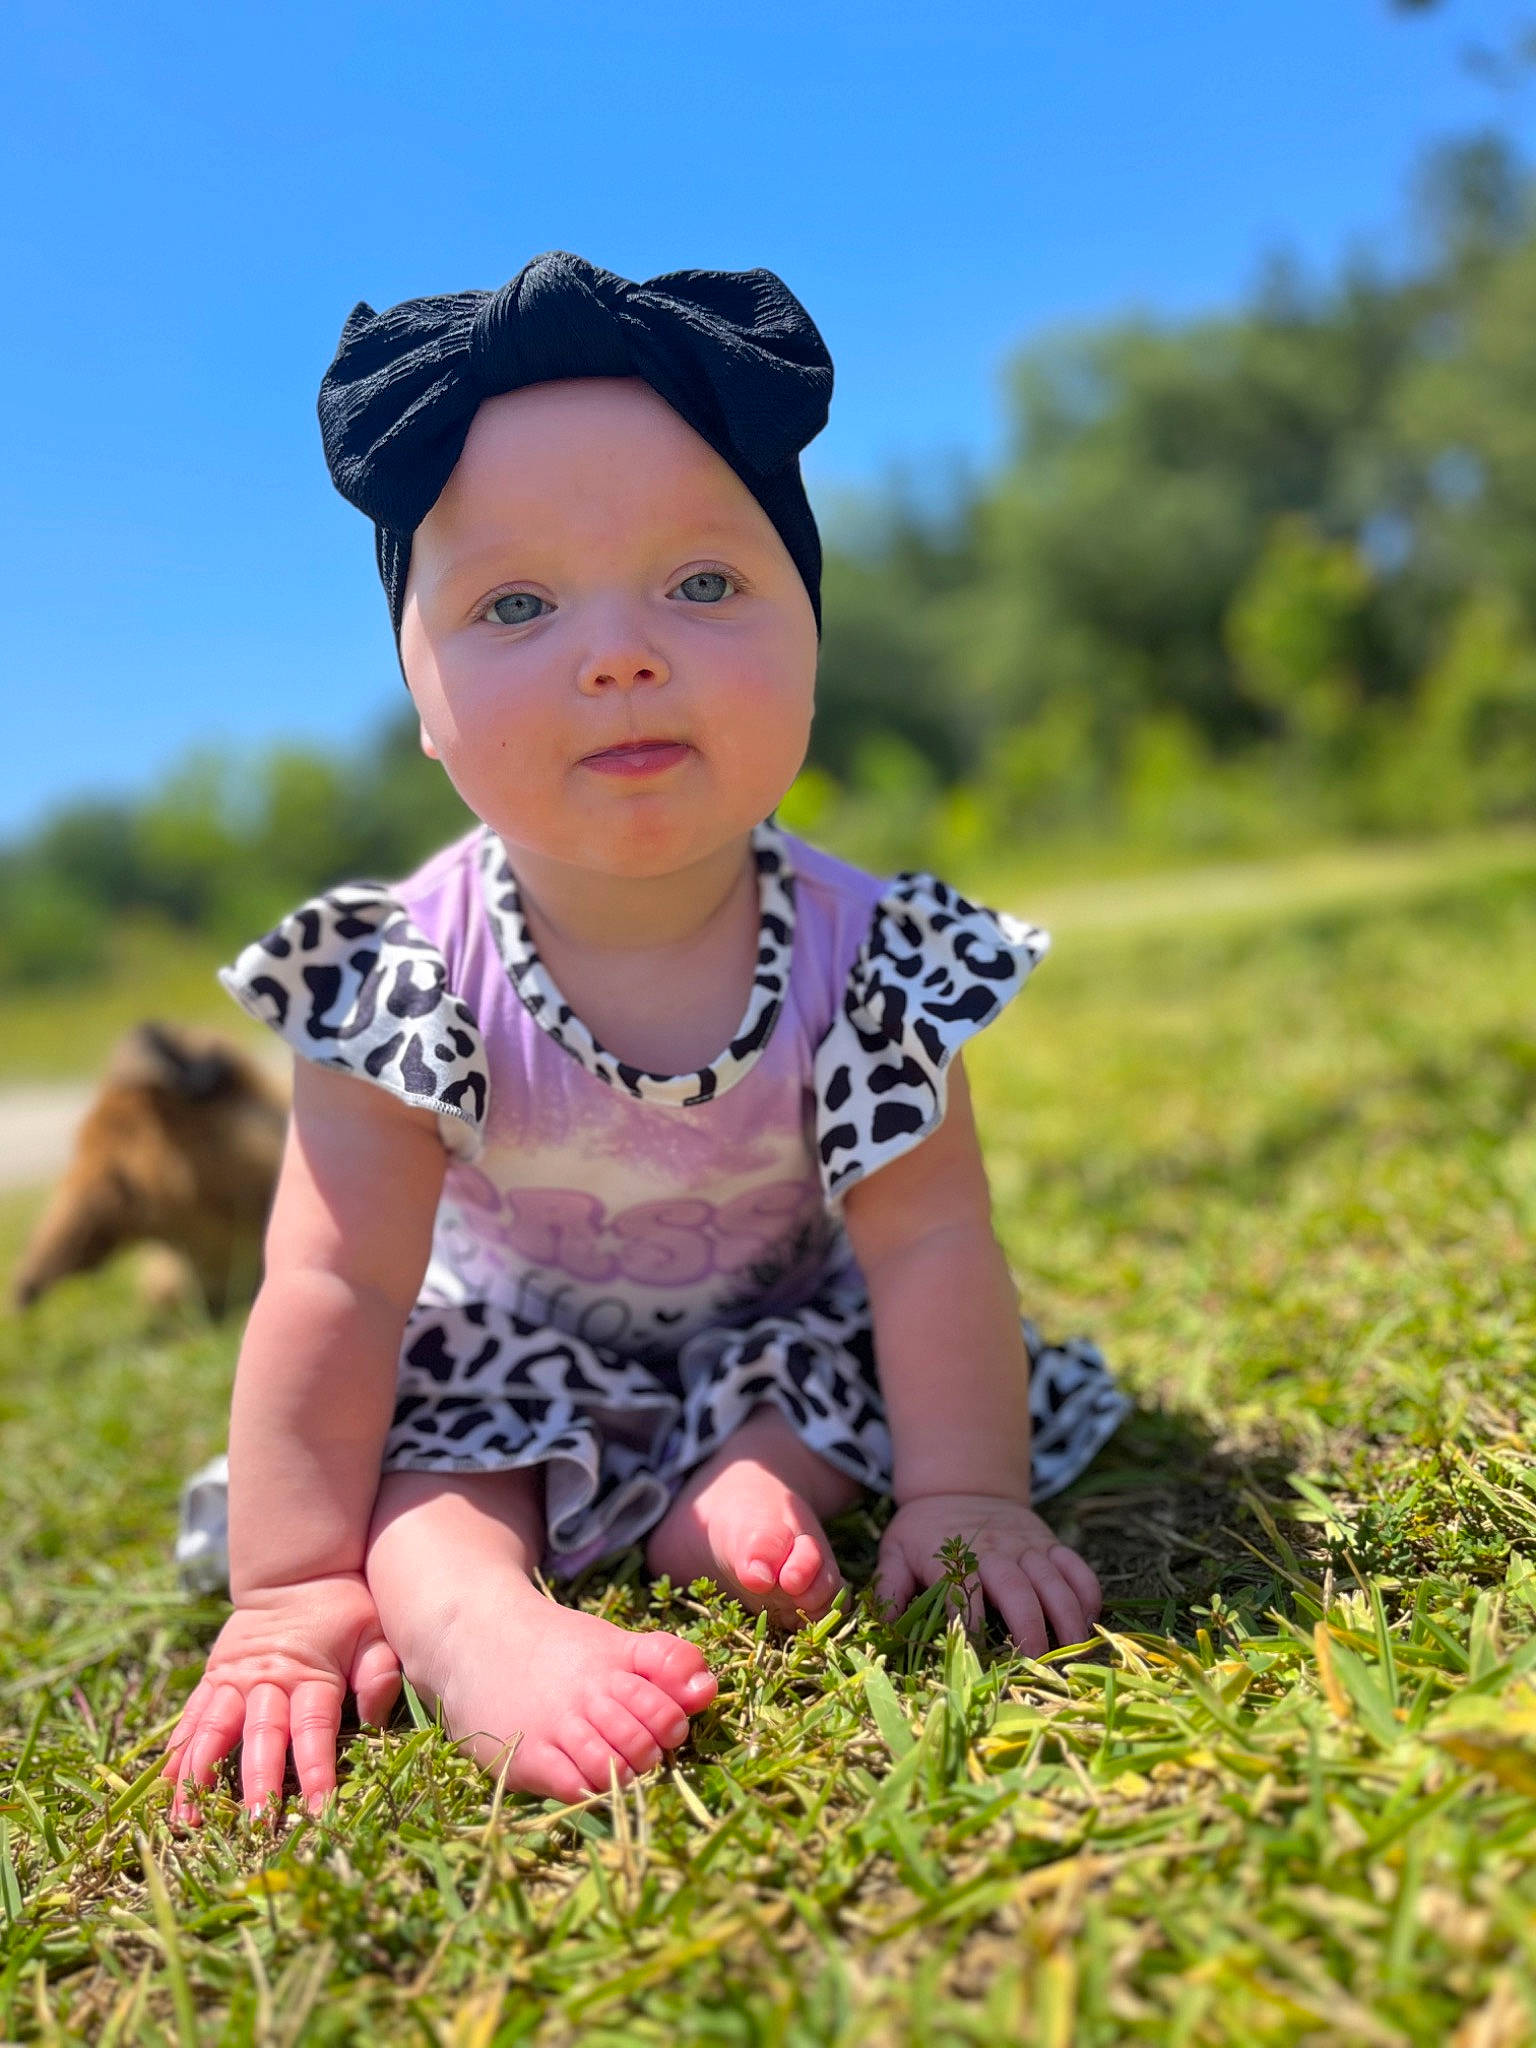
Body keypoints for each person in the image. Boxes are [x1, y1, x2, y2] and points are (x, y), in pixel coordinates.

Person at [162, 255, 1126, 1820]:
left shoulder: (872, 957)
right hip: (509, 1351)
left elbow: (933, 1244)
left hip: (778, 1323)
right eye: (516, 605)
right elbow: (336, 1285)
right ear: (420, 693)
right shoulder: (406, 976)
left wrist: (967, 1497)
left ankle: (744, 1491)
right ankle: (472, 1618)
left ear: (809, 633)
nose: (618, 655)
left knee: (863, 1376)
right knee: (435, 1468)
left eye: (702, 584)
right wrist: (286, 1585)